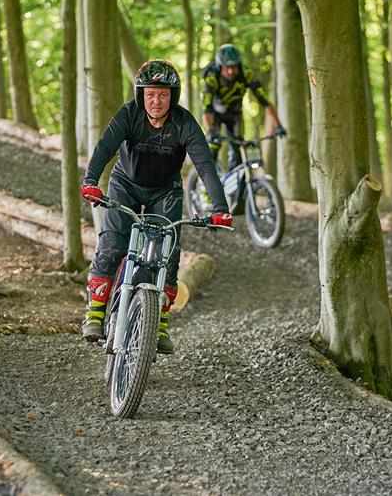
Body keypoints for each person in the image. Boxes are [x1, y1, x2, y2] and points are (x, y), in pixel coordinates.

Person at [80, 59, 232, 355]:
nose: (156, 101)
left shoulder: (184, 122)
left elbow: (204, 164)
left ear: (171, 97)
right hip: (125, 184)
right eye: (150, 94)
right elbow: (105, 147)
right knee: (111, 245)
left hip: (165, 191)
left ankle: (160, 323)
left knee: (170, 254)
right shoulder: (128, 114)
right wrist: (90, 181)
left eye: (163, 94)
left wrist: (220, 207)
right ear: (141, 95)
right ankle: (95, 312)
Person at [202, 44, 286, 170]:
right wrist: (210, 131)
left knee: (238, 151)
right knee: (213, 148)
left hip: (235, 114)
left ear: (239, 65)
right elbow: (206, 109)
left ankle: (236, 187)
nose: (231, 71)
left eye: (234, 67)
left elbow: (265, 101)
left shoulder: (247, 75)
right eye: (227, 67)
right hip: (214, 115)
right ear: (220, 67)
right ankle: (203, 185)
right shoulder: (213, 78)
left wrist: (278, 126)